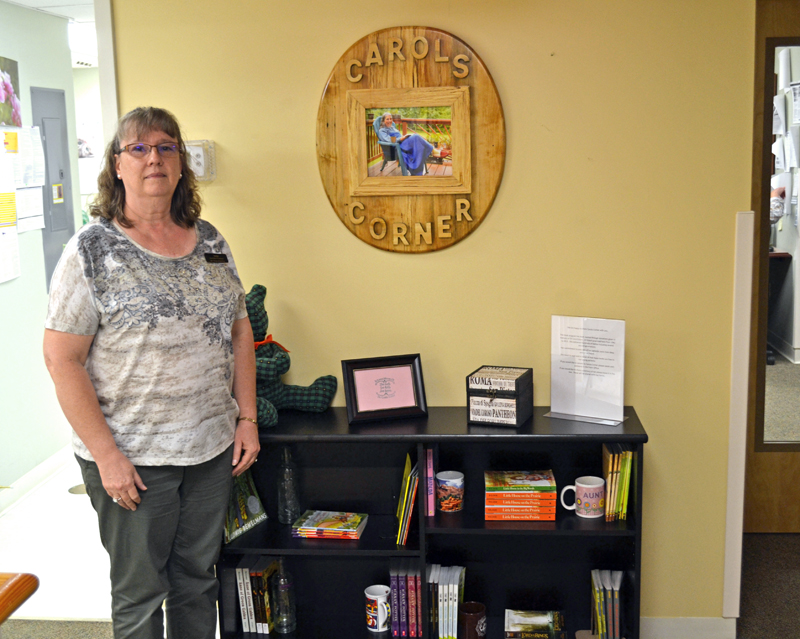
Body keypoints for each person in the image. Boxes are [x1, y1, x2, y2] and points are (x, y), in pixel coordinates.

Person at [43, 106, 259, 639]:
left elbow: (239, 331)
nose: (153, 158)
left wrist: (247, 418)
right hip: (134, 460)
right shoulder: (92, 250)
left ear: (181, 164)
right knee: (140, 595)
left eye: (165, 147)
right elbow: (60, 359)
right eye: (137, 149)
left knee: (196, 580)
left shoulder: (209, 239)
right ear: (117, 166)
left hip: (210, 451)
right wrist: (107, 457)